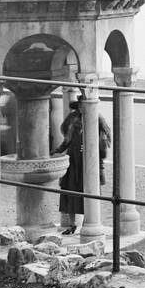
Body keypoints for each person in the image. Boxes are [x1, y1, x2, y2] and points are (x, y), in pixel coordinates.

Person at [53, 99, 113, 234]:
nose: (82, 108)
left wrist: (94, 149)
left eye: (84, 105)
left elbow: (104, 138)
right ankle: (71, 224)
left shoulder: (97, 118)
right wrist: (58, 150)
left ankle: (89, 222)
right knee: (69, 191)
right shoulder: (73, 119)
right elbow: (67, 139)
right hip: (73, 161)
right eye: (80, 105)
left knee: (88, 189)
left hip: (88, 160)